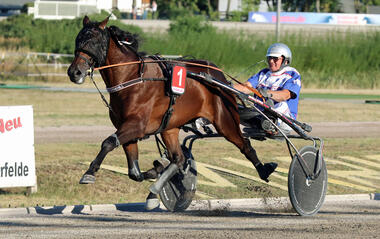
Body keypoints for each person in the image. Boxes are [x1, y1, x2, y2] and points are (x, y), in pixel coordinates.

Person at [234, 43, 301, 134]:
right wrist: (226, 85)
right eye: (269, 58)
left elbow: (285, 95)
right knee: (235, 106)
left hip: (285, 120)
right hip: (261, 114)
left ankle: (271, 125)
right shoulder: (263, 73)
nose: (271, 61)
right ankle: (262, 124)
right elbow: (246, 87)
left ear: (285, 60)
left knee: (282, 104)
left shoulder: (292, 74)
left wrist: (267, 93)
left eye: (275, 59)